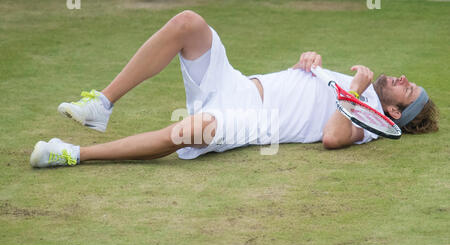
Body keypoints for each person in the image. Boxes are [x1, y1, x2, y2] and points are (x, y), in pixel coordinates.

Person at [30, 10, 439, 168]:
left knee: (186, 132)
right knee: (189, 23)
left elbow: (333, 137)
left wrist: (352, 90)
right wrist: (309, 61)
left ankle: (73, 154)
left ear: (395, 115)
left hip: (251, 122)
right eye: (407, 80)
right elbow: (308, 86)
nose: (403, 80)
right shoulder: (362, 91)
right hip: (239, 83)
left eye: (408, 89)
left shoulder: (369, 122)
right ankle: (102, 104)